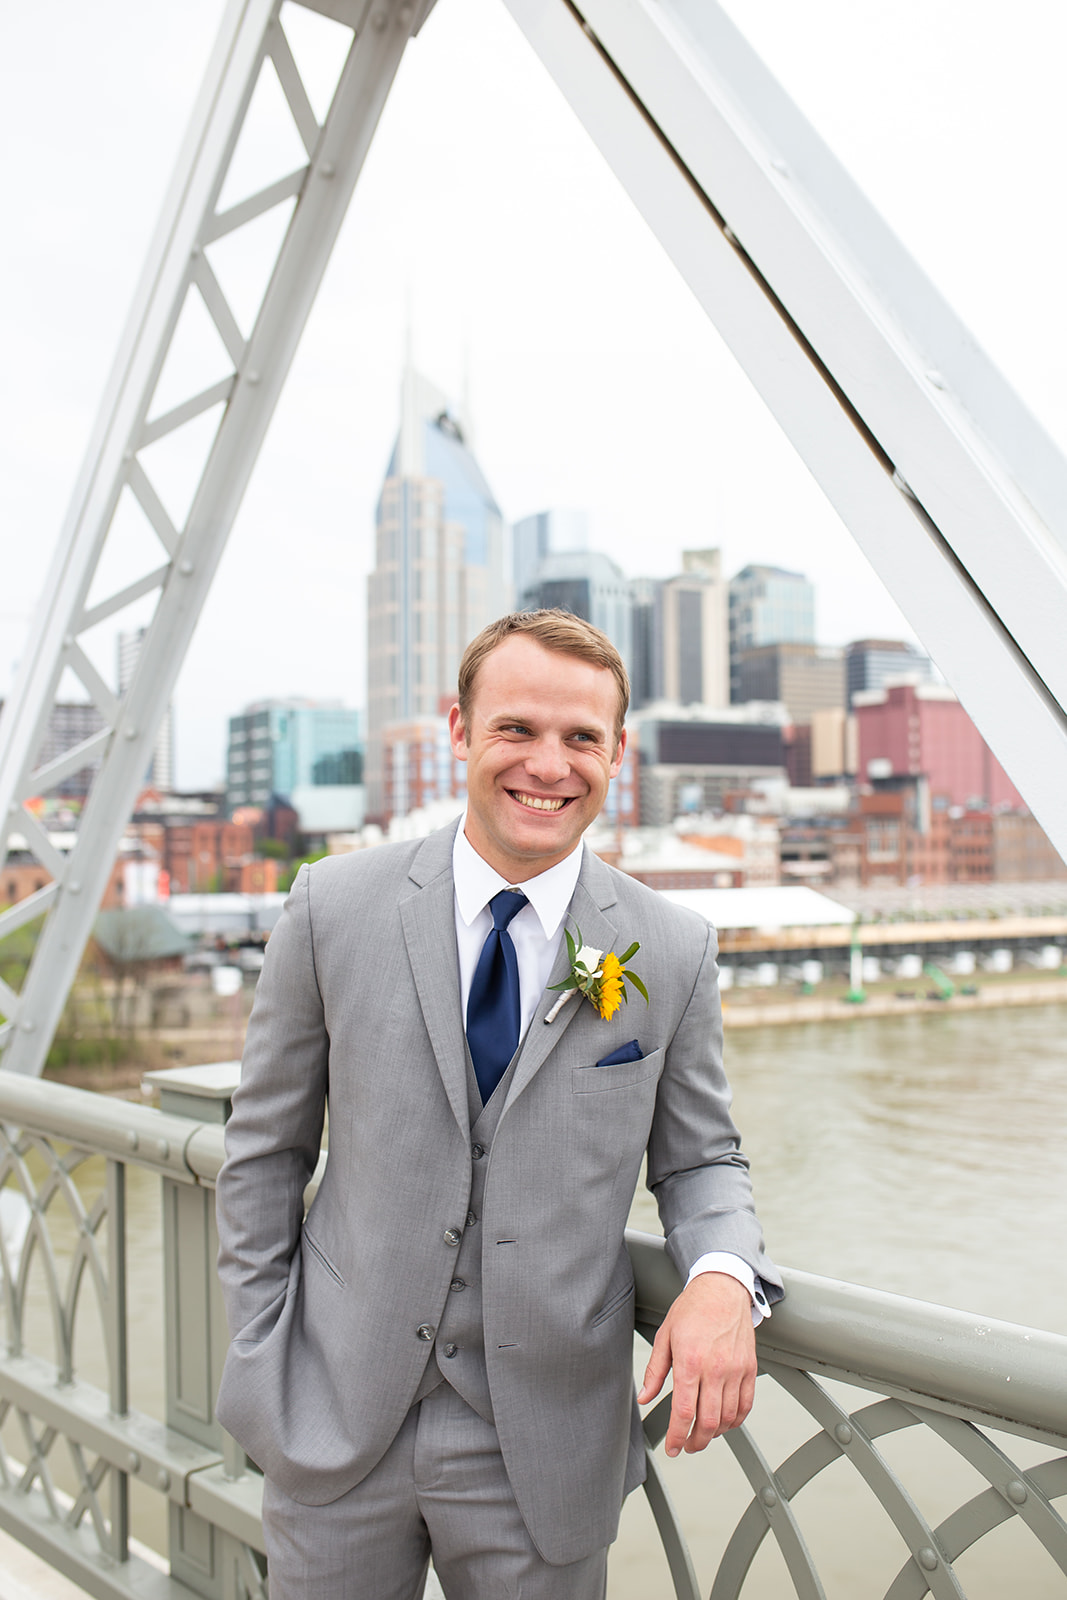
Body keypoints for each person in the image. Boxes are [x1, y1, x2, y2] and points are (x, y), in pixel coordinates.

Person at [215, 610, 780, 1600]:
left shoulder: (671, 947)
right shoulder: (329, 907)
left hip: (543, 1446)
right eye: (516, 728)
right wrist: (261, 1355)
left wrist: (725, 1280)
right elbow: (264, 1152)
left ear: (618, 756)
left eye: (580, 739)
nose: (547, 764)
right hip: (332, 1418)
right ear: (458, 731)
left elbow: (700, 1163)